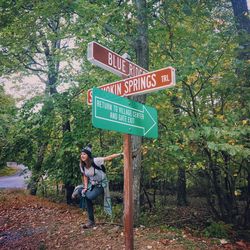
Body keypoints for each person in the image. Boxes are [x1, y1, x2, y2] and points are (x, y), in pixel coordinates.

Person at [79, 144, 123, 228]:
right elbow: (84, 175)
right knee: (84, 194)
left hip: (102, 184)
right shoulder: (82, 165)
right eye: (81, 154)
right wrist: (85, 187)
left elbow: (109, 158)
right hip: (92, 184)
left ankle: (80, 190)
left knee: (89, 196)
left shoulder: (96, 161)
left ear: (89, 155)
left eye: (84, 154)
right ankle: (91, 221)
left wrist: (121, 154)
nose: (82, 156)